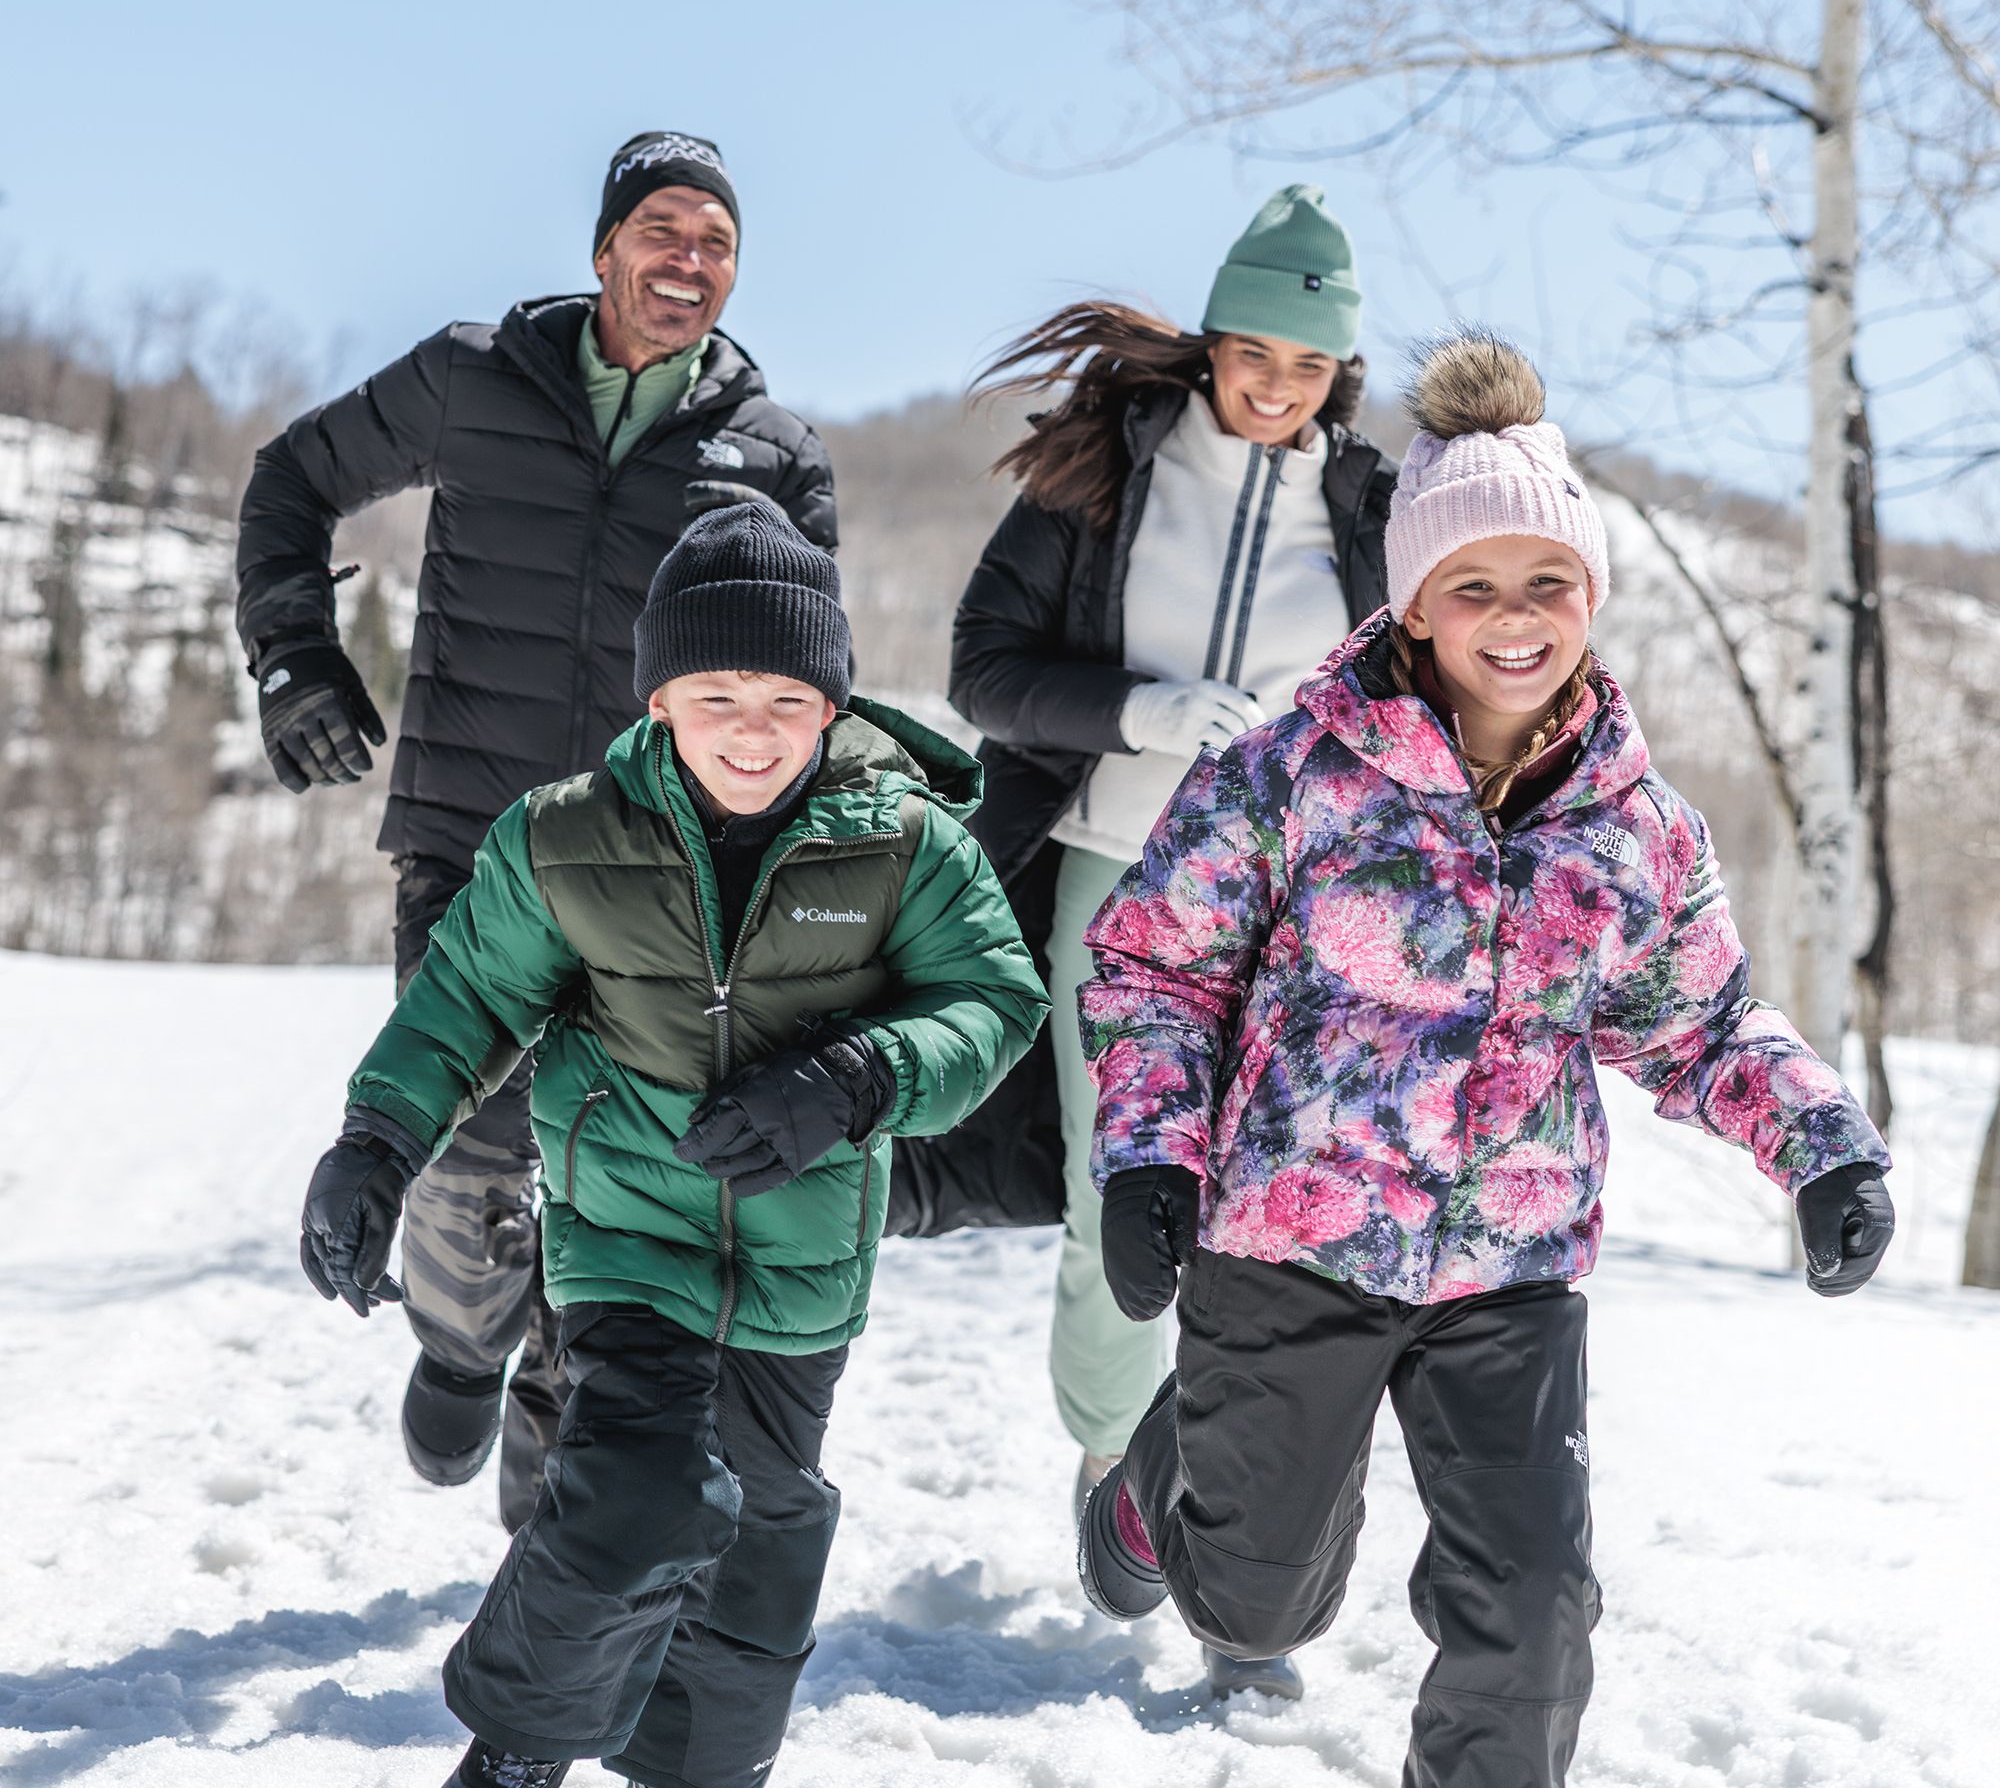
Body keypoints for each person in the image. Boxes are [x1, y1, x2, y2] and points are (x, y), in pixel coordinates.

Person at [1072, 330, 1897, 1785]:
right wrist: (1151, 1152)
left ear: (1589, 596)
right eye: (1474, 586)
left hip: (1510, 1268)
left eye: (1548, 585)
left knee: (1531, 1618)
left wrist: (1822, 1144)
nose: (1514, 619)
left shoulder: (1637, 825)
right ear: (1415, 603)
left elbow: (1697, 1020)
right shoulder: (1293, 771)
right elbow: (1159, 966)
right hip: (1291, 1246)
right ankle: (1161, 1479)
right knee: (1258, 1598)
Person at [296, 501, 1047, 1788]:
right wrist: (376, 1139)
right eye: (713, 692)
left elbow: (994, 1002)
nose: (749, 728)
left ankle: (697, 1763)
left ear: (830, 701)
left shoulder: (901, 836)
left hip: (803, 1252)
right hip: (627, 1227)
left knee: (758, 1521)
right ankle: (519, 1750)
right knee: (638, 1489)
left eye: (784, 695)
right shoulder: (566, 835)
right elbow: (466, 998)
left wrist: (863, 1075)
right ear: (657, 699)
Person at [236, 132, 837, 1527]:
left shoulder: (774, 455)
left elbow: (810, 680)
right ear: (605, 249)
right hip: (469, 844)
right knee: (473, 1160)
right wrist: (294, 654)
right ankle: (458, 1336)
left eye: (717, 243)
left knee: (617, 1194)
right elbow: (290, 477)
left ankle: (551, 1508)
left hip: (661, 877)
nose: (689, 262)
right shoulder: (474, 378)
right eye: (664, 231)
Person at [891, 184, 1393, 1700]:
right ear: (1218, 338)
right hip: (1112, 878)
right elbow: (985, 668)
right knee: (1119, 1188)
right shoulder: (1104, 478)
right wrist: (1145, 713)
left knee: (1278, 1221)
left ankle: (1244, 1546)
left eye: (1310, 368)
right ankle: (1122, 1464)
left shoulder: (1370, 508)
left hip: (1296, 911)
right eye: (1259, 352)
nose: (1279, 386)